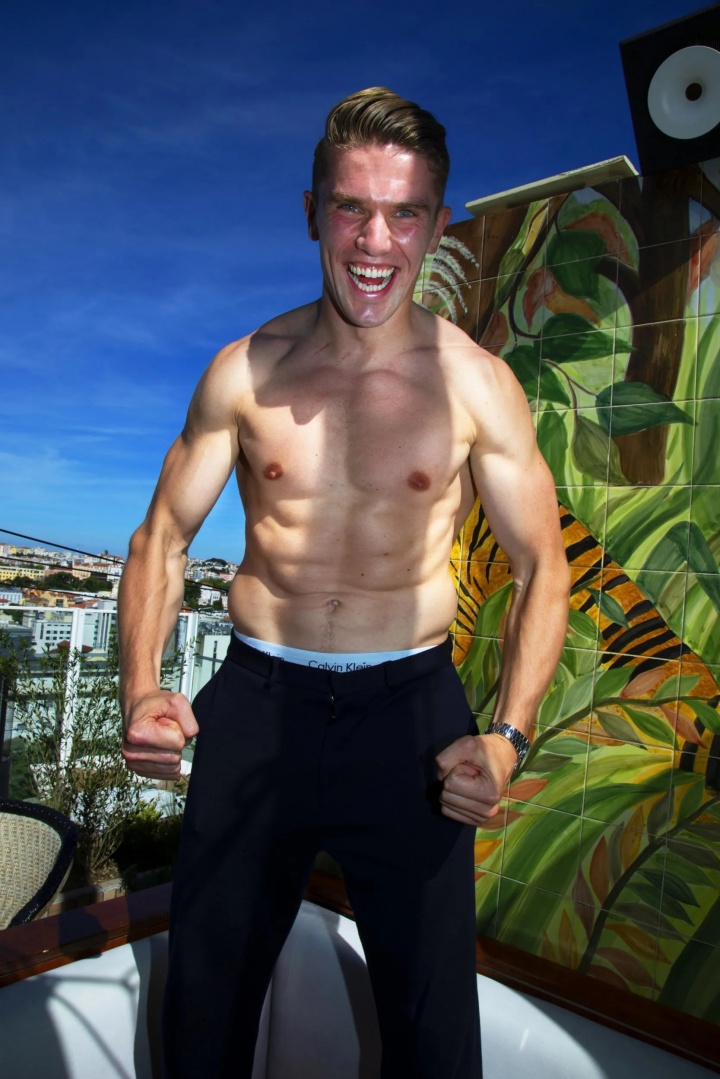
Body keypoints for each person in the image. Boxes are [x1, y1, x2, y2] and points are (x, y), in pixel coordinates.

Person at [119, 87, 570, 1079]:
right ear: (313, 212)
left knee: (433, 1031)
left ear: (436, 226)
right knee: (203, 1013)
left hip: (409, 718)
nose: (375, 241)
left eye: (404, 214)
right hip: (256, 703)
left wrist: (508, 736)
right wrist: (142, 687)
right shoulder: (244, 370)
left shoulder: (478, 384)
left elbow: (543, 563)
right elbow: (161, 537)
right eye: (351, 208)